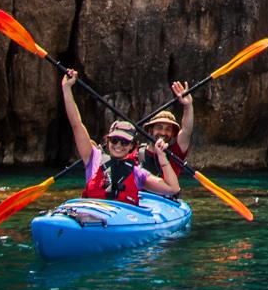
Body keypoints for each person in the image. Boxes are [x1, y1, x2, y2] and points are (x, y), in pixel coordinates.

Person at [61, 69, 178, 204]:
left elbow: (173, 188)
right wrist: (67, 88)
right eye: (115, 140)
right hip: (90, 214)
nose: (118, 145)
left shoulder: (137, 173)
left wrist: (162, 156)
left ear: (132, 146)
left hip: (120, 219)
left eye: (124, 142)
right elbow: (76, 124)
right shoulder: (93, 157)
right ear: (108, 140)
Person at [138, 80, 195, 191]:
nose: (163, 133)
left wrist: (188, 106)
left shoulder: (175, 153)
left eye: (168, 129)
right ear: (150, 130)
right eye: (159, 127)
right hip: (142, 202)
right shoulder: (136, 153)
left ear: (173, 134)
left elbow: (187, 130)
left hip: (165, 203)